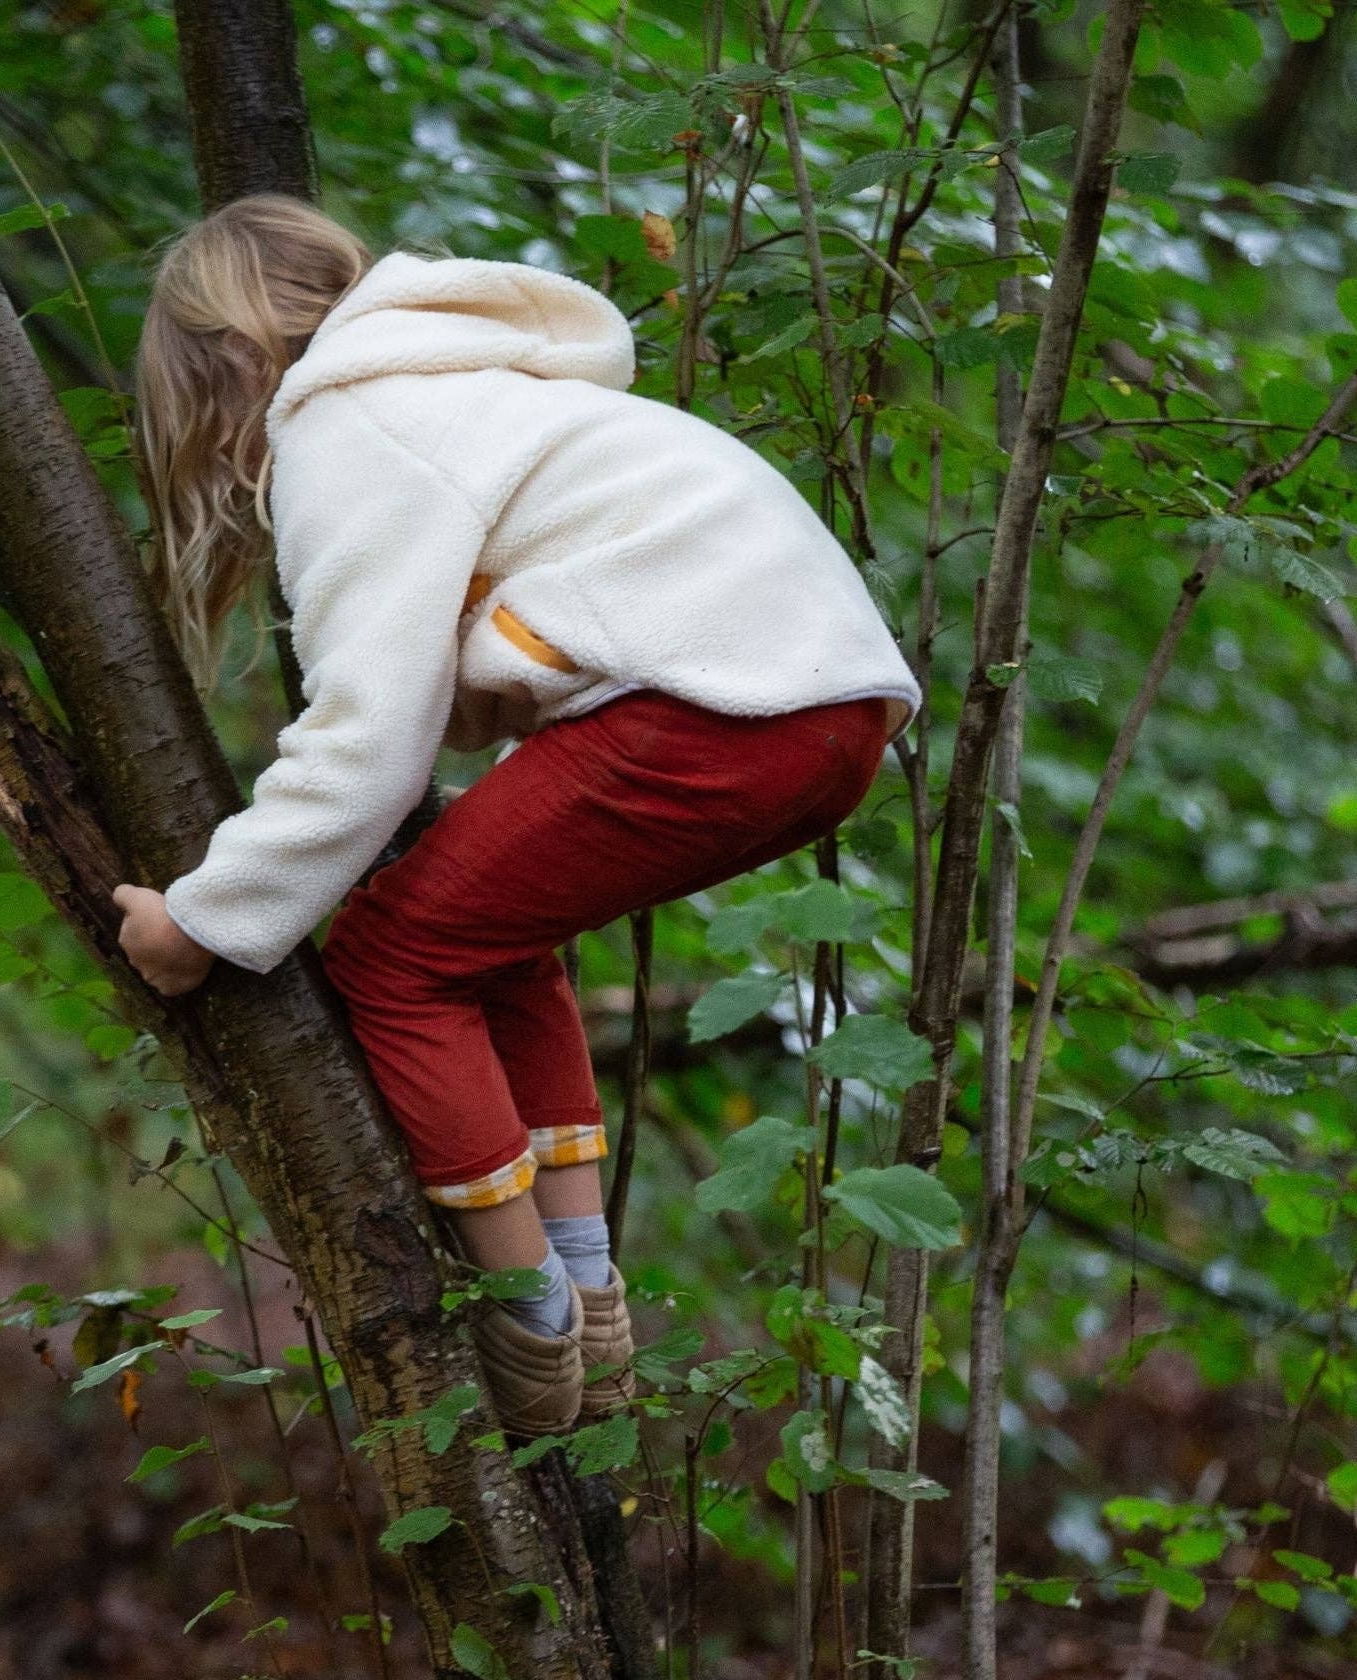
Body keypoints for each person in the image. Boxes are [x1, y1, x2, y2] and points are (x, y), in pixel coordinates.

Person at [111, 196, 919, 1438]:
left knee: (391, 958)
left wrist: (205, 922)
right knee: (486, 940)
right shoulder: (466, 385)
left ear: (222, 364)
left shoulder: (346, 422)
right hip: (824, 714)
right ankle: (587, 1286)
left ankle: (527, 1310)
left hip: (708, 709)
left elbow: (366, 736)